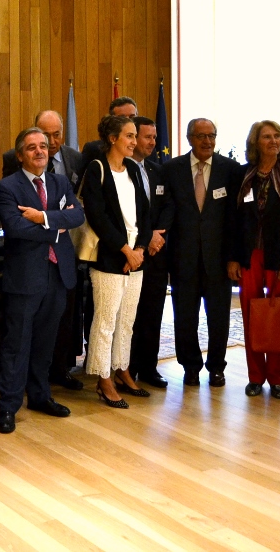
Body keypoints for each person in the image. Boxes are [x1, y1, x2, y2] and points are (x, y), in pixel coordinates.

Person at [0, 128, 84, 433]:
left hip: (58, 274)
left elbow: (78, 216)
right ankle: (8, 406)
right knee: (17, 344)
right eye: (31, 148)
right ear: (20, 155)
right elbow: (16, 228)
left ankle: (40, 396)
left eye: (43, 146)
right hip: (24, 277)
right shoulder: (6, 187)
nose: (39, 152)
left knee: (46, 342)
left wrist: (43, 218)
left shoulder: (59, 181)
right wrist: (56, 224)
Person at [158, 118, 241, 387]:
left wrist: (233, 257)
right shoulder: (172, 169)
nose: (207, 141)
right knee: (185, 318)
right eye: (201, 136)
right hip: (183, 259)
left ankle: (217, 366)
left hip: (219, 261)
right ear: (189, 138)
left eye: (212, 136)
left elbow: (235, 219)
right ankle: (190, 366)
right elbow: (165, 212)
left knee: (219, 318)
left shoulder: (230, 170)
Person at [227, 121, 280, 399]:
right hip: (249, 256)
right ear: (255, 143)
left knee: (277, 317)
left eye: (277, 137)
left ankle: (277, 378)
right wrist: (233, 258)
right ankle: (255, 377)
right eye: (267, 137)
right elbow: (233, 222)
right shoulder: (242, 175)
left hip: (278, 259)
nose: (274, 141)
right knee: (252, 317)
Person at [81, 115, 152, 408]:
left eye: (136, 136)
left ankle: (122, 368)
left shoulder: (134, 169)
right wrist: (125, 250)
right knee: (106, 321)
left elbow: (146, 212)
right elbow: (97, 217)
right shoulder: (97, 168)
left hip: (136, 258)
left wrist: (140, 249)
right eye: (129, 136)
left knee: (127, 321)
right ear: (113, 139)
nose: (135, 142)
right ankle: (103, 377)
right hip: (111, 258)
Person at [127, 116, 171, 389]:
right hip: (131, 252)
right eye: (147, 137)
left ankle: (149, 367)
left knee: (153, 312)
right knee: (130, 314)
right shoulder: (120, 170)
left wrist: (158, 233)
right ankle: (126, 368)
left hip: (156, 254)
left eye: (155, 137)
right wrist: (146, 237)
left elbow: (169, 205)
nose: (153, 142)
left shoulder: (158, 171)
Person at [76, 96, 138, 179]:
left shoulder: (146, 149)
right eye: (122, 118)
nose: (128, 122)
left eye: (132, 117)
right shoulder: (94, 150)